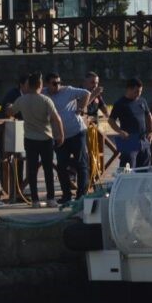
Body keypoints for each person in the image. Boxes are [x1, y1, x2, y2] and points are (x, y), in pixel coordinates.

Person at [6, 73, 65, 207]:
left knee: (32, 170)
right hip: (46, 138)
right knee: (48, 169)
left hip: (30, 139)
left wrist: (9, 106)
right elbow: (57, 118)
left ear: (28, 85)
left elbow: (10, 112)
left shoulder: (22, 100)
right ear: (40, 85)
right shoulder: (45, 100)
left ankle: (35, 200)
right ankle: (51, 198)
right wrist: (61, 134)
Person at [45, 72, 91, 204]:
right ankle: (66, 195)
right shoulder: (43, 93)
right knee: (61, 166)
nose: (57, 85)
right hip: (60, 136)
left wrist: (81, 107)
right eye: (54, 83)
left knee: (81, 164)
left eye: (59, 82)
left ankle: (81, 195)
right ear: (48, 84)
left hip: (77, 132)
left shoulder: (68, 90)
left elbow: (86, 93)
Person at [109, 78, 152, 169]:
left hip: (143, 139)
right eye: (136, 91)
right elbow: (111, 120)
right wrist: (120, 131)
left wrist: (151, 131)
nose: (139, 94)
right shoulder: (120, 103)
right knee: (128, 169)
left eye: (140, 91)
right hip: (129, 140)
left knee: (144, 169)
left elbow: (149, 115)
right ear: (129, 89)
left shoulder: (142, 101)